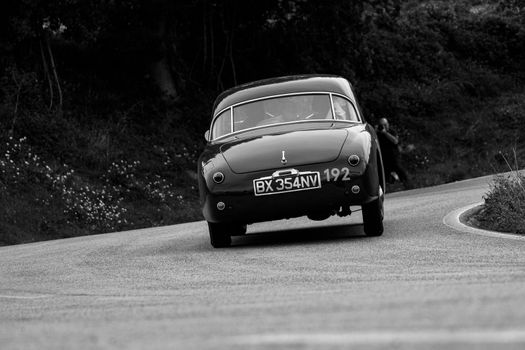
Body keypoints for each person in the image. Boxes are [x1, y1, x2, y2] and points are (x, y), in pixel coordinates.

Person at [375, 117, 412, 189]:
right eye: (382, 125)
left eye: (385, 124)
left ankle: (408, 185)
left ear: (388, 124)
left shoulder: (392, 131)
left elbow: (395, 141)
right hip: (384, 156)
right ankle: (389, 185)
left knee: (398, 169)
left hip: (394, 155)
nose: (384, 126)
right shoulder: (378, 133)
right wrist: (375, 131)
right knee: (384, 172)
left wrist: (385, 133)